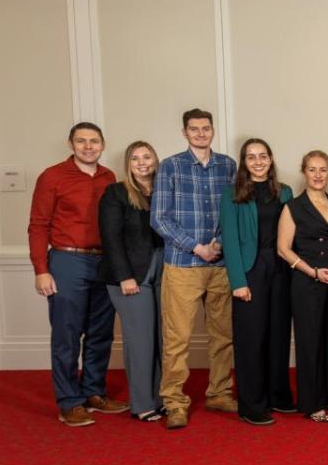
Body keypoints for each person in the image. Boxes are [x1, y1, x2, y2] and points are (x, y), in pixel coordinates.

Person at [30, 122, 127, 427]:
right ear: (70, 144)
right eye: (81, 141)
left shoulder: (109, 178)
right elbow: (38, 225)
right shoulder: (52, 176)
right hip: (66, 260)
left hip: (103, 261)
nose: (88, 146)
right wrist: (41, 270)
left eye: (94, 141)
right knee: (67, 335)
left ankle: (93, 393)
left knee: (101, 332)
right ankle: (69, 401)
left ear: (103, 144)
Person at [150, 108, 238, 429]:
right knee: (177, 337)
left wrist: (217, 243)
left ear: (213, 130)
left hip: (221, 264)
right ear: (184, 133)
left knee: (223, 334)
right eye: (194, 129)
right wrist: (196, 246)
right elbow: (159, 217)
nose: (201, 133)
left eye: (205, 128)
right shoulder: (171, 166)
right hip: (183, 264)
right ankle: (174, 400)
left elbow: (235, 210)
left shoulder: (227, 166)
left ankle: (220, 391)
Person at [220, 138, 295, 426]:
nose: (258, 161)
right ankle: (251, 404)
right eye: (251, 157)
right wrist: (238, 281)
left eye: (263, 155)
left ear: (271, 158)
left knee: (278, 334)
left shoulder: (284, 192)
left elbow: (293, 234)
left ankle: (278, 395)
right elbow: (229, 240)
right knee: (252, 337)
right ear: (244, 162)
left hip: (281, 268)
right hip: (250, 268)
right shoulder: (232, 194)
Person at [277, 151, 328, 423]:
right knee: (310, 341)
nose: (318, 175)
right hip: (307, 282)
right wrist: (314, 272)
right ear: (304, 172)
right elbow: (283, 249)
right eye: (312, 169)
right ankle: (311, 402)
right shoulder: (293, 207)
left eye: (322, 170)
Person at [98, 141, 165, 422]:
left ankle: (161, 398)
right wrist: (125, 276)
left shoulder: (163, 190)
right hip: (129, 276)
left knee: (162, 338)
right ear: (128, 163)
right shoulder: (116, 193)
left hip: (163, 268)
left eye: (146, 156)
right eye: (135, 158)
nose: (141, 162)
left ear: (155, 160)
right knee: (140, 339)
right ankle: (142, 403)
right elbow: (111, 238)